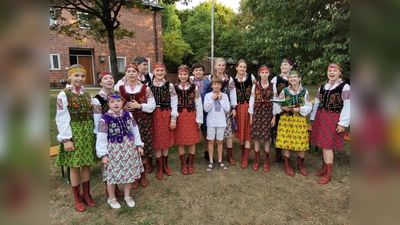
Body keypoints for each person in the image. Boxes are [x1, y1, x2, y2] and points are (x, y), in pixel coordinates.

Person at [55, 64, 98, 212]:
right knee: (74, 166)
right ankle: (77, 196)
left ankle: (86, 193)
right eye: (76, 75)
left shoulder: (88, 94)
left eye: (82, 76)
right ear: (70, 77)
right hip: (73, 132)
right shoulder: (63, 95)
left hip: (86, 132)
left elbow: (96, 112)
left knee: (86, 164)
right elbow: (61, 118)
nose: (80, 79)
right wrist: (66, 139)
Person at [96, 91, 145, 209]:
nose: (116, 104)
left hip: (129, 148)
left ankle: (127, 195)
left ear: (122, 101)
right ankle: (111, 197)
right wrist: (103, 155)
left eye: (118, 101)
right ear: (108, 104)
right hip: (114, 150)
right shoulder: (104, 119)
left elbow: (135, 130)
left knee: (129, 172)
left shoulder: (128, 115)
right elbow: (101, 137)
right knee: (112, 174)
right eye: (112, 102)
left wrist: (139, 145)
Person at [115, 62, 156, 188]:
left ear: (138, 73)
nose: (131, 74)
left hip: (143, 121)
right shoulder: (120, 89)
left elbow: (152, 106)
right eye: (128, 72)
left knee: (141, 147)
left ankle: (142, 175)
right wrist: (123, 107)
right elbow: (114, 105)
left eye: (134, 71)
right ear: (125, 74)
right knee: (129, 148)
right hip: (126, 123)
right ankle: (133, 175)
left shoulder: (145, 88)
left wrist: (139, 106)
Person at [310, 63, 350, 184]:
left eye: (334, 71)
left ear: (339, 73)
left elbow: (349, 105)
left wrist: (343, 123)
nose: (331, 73)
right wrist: (312, 117)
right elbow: (317, 102)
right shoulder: (323, 86)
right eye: (329, 71)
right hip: (321, 117)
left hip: (333, 118)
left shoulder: (345, 87)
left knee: (327, 145)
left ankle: (328, 173)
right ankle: (324, 168)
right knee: (323, 143)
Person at [274, 69, 312, 177]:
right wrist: (283, 107)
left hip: (299, 119)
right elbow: (277, 104)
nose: (293, 79)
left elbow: (309, 106)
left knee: (301, 142)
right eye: (291, 77)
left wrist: (300, 109)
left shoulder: (305, 92)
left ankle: (301, 165)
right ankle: (287, 164)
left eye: (295, 77)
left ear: (300, 78)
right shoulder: (284, 91)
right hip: (286, 119)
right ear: (288, 79)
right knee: (286, 141)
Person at [92, 71, 124, 198]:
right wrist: (100, 135)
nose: (109, 80)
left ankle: (115, 185)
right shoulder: (97, 99)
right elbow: (97, 119)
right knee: (107, 161)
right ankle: (108, 186)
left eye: (111, 78)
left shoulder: (116, 95)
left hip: (117, 133)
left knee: (116, 160)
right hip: (106, 134)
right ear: (100, 82)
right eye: (105, 78)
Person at [150, 62, 178, 179]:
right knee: (157, 140)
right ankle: (159, 167)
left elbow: (174, 101)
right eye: (157, 71)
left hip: (166, 114)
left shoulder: (169, 86)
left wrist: (173, 118)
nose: (160, 73)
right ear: (153, 72)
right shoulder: (148, 86)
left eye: (162, 70)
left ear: (165, 72)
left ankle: (165, 165)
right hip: (154, 115)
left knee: (166, 140)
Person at [208, 58, 238, 165]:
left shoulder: (229, 79)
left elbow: (233, 94)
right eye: (219, 65)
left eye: (223, 65)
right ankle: (216, 155)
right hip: (214, 110)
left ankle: (230, 155)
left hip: (226, 108)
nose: (221, 67)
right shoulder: (210, 78)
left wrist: (234, 108)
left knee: (228, 132)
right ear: (215, 66)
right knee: (214, 133)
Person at [174, 65, 203, 174]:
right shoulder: (174, 87)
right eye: (181, 74)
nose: (183, 76)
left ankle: (190, 163)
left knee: (192, 140)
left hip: (191, 116)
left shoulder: (194, 87)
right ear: (178, 75)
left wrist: (199, 119)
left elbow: (198, 103)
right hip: (179, 116)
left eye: (185, 74)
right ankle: (183, 164)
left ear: (188, 75)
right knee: (180, 141)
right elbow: (172, 103)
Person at [248, 65, 276, 172]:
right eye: (262, 73)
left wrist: (274, 116)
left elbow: (275, 101)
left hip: (268, 112)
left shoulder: (272, 86)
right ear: (259, 74)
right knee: (257, 137)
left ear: (269, 74)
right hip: (257, 113)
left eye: (266, 73)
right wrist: (251, 115)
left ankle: (266, 161)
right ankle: (256, 160)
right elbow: (252, 100)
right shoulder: (255, 86)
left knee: (267, 137)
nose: (264, 75)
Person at [204, 76, 231, 171]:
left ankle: (220, 160)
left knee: (219, 142)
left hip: (221, 122)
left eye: (219, 84)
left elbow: (227, 109)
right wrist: (213, 98)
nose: (217, 86)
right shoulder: (208, 96)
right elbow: (206, 109)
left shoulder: (224, 96)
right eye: (215, 84)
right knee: (211, 141)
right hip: (211, 122)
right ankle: (211, 161)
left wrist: (220, 99)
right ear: (211, 85)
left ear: (221, 85)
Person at [233, 59, 257, 169]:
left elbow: (256, 91)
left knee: (248, 130)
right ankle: (243, 155)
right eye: (240, 67)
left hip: (250, 107)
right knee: (241, 130)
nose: (242, 69)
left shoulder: (251, 78)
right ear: (237, 67)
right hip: (239, 107)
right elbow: (233, 95)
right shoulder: (233, 81)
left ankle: (246, 158)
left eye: (244, 67)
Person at [270, 58, 293, 162]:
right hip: (279, 109)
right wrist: (278, 109)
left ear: (291, 67)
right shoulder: (276, 79)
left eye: (285, 65)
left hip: (292, 110)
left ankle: (287, 155)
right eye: (282, 65)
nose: (283, 66)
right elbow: (273, 95)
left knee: (289, 132)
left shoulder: (294, 78)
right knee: (278, 131)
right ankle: (278, 153)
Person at [190, 62, 211, 164]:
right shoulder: (190, 84)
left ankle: (207, 152)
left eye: (200, 70)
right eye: (196, 70)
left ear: (203, 72)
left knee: (205, 132)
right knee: (193, 132)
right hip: (193, 111)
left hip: (206, 111)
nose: (198, 72)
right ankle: (191, 154)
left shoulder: (207, 83)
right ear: (193, 72)